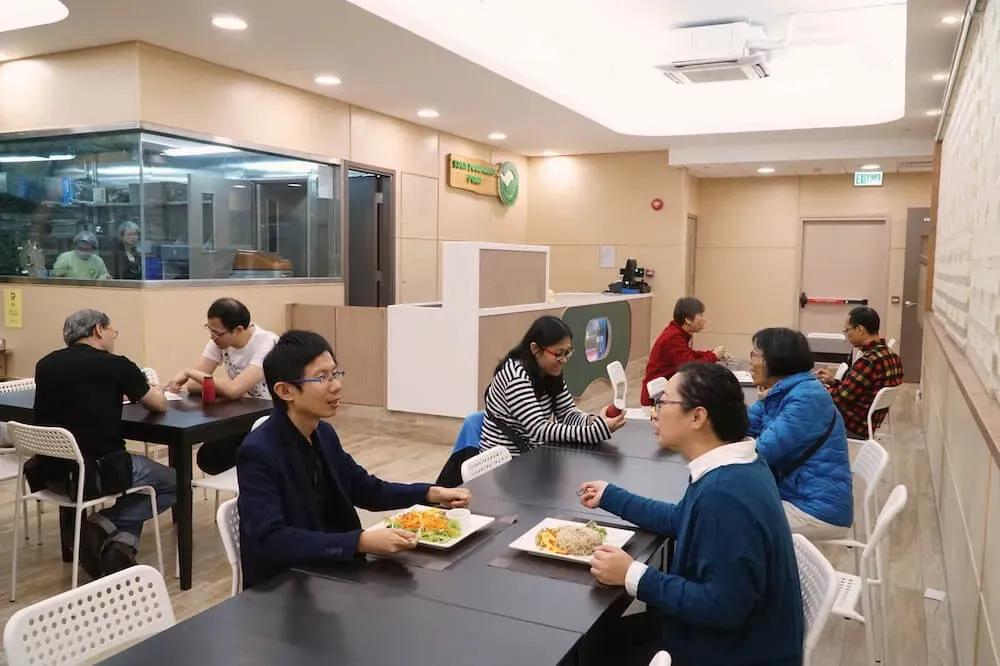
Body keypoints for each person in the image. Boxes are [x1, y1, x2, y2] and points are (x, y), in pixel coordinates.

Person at [575, 363, 803, 666]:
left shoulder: (725, 493)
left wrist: (632, 574)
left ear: (697, 416)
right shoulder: (737, 465)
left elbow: (724, 607)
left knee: (588, 651)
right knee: (596, 641)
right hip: (735, 636)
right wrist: (611, 496)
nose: (654, 412)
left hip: (735, 650)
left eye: (663, 402)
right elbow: (680, 518)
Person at [236, 329, 471, 588]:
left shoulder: (322, 432)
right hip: (286, 585)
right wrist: (360, 542)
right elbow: (271, 540)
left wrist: (430, 494)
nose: (336, 385)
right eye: (322, 378)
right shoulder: (258, 452)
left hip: (331, 572)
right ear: (285, 391)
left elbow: (365, 489)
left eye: (335, 373)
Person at [30, 309, 175, 579]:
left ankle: (120, 549)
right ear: (99, 329)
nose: (113, 337)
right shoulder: (115, 364)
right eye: (112, 331)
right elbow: (158, 404)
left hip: (52, 472)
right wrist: (155, 389)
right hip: (97, 472)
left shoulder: (45, 364)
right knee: (173, 481)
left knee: (134, 485)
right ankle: (102, 524)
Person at [748, 327, 853, 539]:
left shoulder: (806, 398)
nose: (750, 361)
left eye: (755, 354)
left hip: (816, 508)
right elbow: (742, 426)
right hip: (793, 493)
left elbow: (761, 453)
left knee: (731, 519)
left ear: (776, 359)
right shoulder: (780, 391)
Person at [480, 315, 624, 456]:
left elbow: (567, 412)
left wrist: (593, 421)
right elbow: (539, 429)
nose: (564, 360)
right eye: (558, 354)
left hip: (533, 455)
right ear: (535, 349)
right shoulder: (515, 376)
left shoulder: (549, 371)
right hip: (506, 463)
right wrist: (594, 432)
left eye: (568, 352)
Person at [165, 298, 278, 474]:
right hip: (241, 413)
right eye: (210, 330)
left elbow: (234, 390)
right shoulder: (219, 341)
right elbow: (195, 386)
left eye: (218, 333)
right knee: (208, 457)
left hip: (269, 417)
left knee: (214, 456)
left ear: (239, 330)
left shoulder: (267, 343)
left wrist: (188, 372)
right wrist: (204, 380)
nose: (213, 337)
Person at [815, 307, 904, 439]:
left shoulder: (868, 361)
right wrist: (833, 382)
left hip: (853, 425)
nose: (846, 335)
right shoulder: (892, 356)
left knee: (802, 413)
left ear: (860, 330)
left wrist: (813, 388)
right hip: (868, 423)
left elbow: (841, 398)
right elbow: (855, 390)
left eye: (847, 330)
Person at [641, 297, 729, 406]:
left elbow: (690, 355)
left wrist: (714, 353)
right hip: (655, 398)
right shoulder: (674, 337)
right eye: (700, 315)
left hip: (666, 392)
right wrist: (713, 355)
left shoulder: (676, 333)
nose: (704, 320)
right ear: (688, 319)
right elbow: (689, 366)